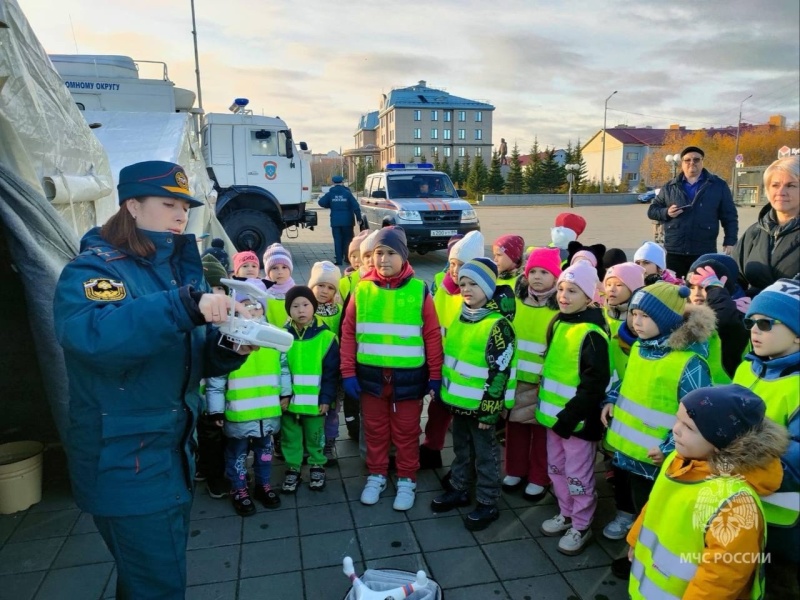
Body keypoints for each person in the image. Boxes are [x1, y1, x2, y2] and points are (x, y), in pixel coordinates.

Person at [53, 160, 250, 599]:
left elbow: (183, 357)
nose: (181, 214)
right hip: (125, 463)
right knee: (157, 587)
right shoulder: (94, 272)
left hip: (171, 457)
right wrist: (183, 306)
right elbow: (97, 340)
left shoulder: (178, 268)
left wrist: (230, 347)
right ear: (132, 206)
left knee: (149, 580)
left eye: (184, 205)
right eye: (168, 203)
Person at [626, 385, 788, 600]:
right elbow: (655, 505)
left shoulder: (734, 503)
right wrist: (635, 540)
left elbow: (723, 575)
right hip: (651, 586)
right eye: (678, 419)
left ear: (721, 443)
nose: (675, 429)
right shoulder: (679, 460)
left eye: (689, 427)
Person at [601, 282, 714, 578]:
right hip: (630, 451)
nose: (635, 322)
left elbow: (699, 415)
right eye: (634, 314)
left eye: (645, 316)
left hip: (659, 459)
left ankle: (649, 560)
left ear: (665, 320)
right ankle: (637, 550)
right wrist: (612, 399)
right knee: (640, 508)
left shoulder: (689, 362)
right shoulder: (640, 347)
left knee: (657, 511)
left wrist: (668, 448)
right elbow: (629, 383)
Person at [340, 226, 443, 511]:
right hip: (370, 378)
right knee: (374, 430)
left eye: (390, 253)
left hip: (408, 379)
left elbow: (432, 335)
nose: (383, 259)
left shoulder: (419, 290)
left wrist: (435, 375)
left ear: (403, 256)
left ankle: (407, 478)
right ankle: (376, 474)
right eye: (377, 253)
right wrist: (347, 372)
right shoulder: (361, 291)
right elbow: (349, 333)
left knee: (407, 432)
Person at [431, 258, 517, 530]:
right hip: (458, 401)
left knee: (485, 454)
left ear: (489, 287)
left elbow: (500, 371)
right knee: (461, 448)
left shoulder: (497, 325)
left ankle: (488, 500)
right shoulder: (462, 313)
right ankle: (459, 487)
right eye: (463, 283)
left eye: (474, 284)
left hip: (481, 408)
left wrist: (490, 411)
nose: (466, 289)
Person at [537, 261, 611, 555]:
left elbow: (594, 384)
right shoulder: (558, 322)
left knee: (578, 475)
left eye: (573, 291)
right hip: (555, 420)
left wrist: (569, 417)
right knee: (556, 469)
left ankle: (581, 524)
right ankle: (566, 512)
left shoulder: (592, 333)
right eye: (563, 289)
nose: (564, 296)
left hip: (577, 424)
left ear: (590, 296)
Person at [734, 279, 800, 597]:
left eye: (766, 323)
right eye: (751, 322)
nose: (754, 330)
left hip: (784, 521)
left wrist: (733, 460)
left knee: (780, 585)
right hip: (740, 506)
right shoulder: (747, 369)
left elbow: (796, 461)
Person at [205, 278, 288, 516]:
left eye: (257, 305)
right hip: (239, 415)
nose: (252, 309)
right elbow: (216, 378)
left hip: (268, 413)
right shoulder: (229, 339)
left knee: (264, 453)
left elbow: (283, 368)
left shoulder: (272, 338)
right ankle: (239, 488)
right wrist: (216, 410)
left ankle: (263, 484)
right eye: (246, 305)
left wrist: (286, 393)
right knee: (237, 455)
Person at [502, 248, 561, 502]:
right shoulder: (515, 304)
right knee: (514, 427)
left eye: (544, 272)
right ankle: (514, 469)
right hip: (515, 379)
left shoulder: (559, 309)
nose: (537, 277)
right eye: (533, 271)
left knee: (540, 433)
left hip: (542, 384)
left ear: (556, 277)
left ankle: (539, 476)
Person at [647, 145, 739, 279]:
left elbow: (729, 216)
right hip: (675, 251)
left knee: (701, 290)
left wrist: (730, 241)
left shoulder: (718, 186)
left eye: (696, 160)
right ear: (682, 163)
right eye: (687, 160)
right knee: (674, 289)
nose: (692, 163)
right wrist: (666, 212)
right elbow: (652, 211)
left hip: (703, 250)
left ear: (702, 162)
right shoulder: (670, 187)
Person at [281, 286, 339, 493]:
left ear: (313, 307)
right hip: (289, 403)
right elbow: (279, 370)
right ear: (289, 310)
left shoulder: (327, 338)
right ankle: (293, 467)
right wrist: (283, 395)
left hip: (315, 402)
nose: (301, 310)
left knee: (316, 436)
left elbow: (331, 373)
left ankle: (317, 464)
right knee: (290, 437)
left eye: (305, 305)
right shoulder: (281, 337)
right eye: (295, 306)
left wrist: (326, 398)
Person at [733, 156, 799, 296]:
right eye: (775, 185)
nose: (781, 192)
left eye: (791, 185)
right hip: (752, 314)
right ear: (767, 191)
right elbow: (736, 276)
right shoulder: (755, 232)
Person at [195, 255, 232, 499]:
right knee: (210, 440)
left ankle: (212, 469)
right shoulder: (195, 324)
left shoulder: (230, 323)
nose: (215, 294)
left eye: (220, 288)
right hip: (202, 397)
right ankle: (214, 478)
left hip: (222, 398)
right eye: (209, 289)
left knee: (220, 439)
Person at [687, 253, 750, 382]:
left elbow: (725, 320)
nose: (696, 294)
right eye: (692, 288)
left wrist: (715, 290)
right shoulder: (684, 313)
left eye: (704, 288)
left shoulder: (737, 315)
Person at [308, 260, 344, 464]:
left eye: (330, 287)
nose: (324, 291)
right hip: (310, 371)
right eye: (320, 285)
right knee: (311, 410)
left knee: (331, 410)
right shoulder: (304, 309)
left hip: (333, 372)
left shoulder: (339, 310)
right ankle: (311, 444)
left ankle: (329, 443)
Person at [318, 174, 362, 266]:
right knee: (348, 240)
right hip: (348, 221)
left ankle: (338, 260)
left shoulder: (330, 193)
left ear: (333, 182)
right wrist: (359, 218)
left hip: (335, 221)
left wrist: (330, 205)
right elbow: (356, 206)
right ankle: (347, 258)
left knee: (337, 240)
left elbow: (321, 202)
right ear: (342, 182)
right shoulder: (347, 193)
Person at [262, 243, 296, 326]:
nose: (280, 272)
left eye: (284, 267)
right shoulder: (262, 290)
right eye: (274, 268)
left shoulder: (295, 290)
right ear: (268, 272)